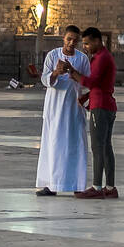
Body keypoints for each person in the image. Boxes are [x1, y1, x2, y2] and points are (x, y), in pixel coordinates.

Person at [35, 25, 90, 197]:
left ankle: (76, 184)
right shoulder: (53, 55)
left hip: (74, 109)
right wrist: (56, 72)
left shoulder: (82, 59)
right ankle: (51, 184)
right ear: (63, 39)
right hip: (55, 108)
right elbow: (45, 79)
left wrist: (73, 73)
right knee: (54, 145)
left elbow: (88, 82)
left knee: (75, 145)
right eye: (69, 39)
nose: (72, 43)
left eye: (75, 40)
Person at [65, 27, 118, 199]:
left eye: (87, 43)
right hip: (106, 104)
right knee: (106, 147)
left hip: (100, 107)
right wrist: (87, 97)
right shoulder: (103, 57)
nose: (85, 47)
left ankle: (97, 187)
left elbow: (92, 81)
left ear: (97, 40)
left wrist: (73, 73)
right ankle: (110, 187)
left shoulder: (101, 58)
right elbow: (103, 85)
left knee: (97, 147)